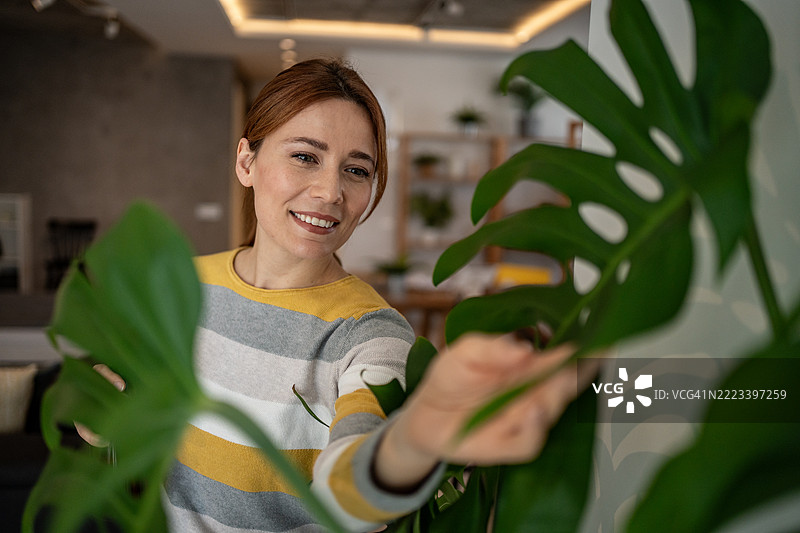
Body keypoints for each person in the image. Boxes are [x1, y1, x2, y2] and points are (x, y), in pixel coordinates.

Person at [85, 58, 598, 532]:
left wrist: (412, 444)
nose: (331, 192)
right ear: (247, 161)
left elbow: (350, 481)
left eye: (356, 170)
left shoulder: (370, 334)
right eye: (306, 156)